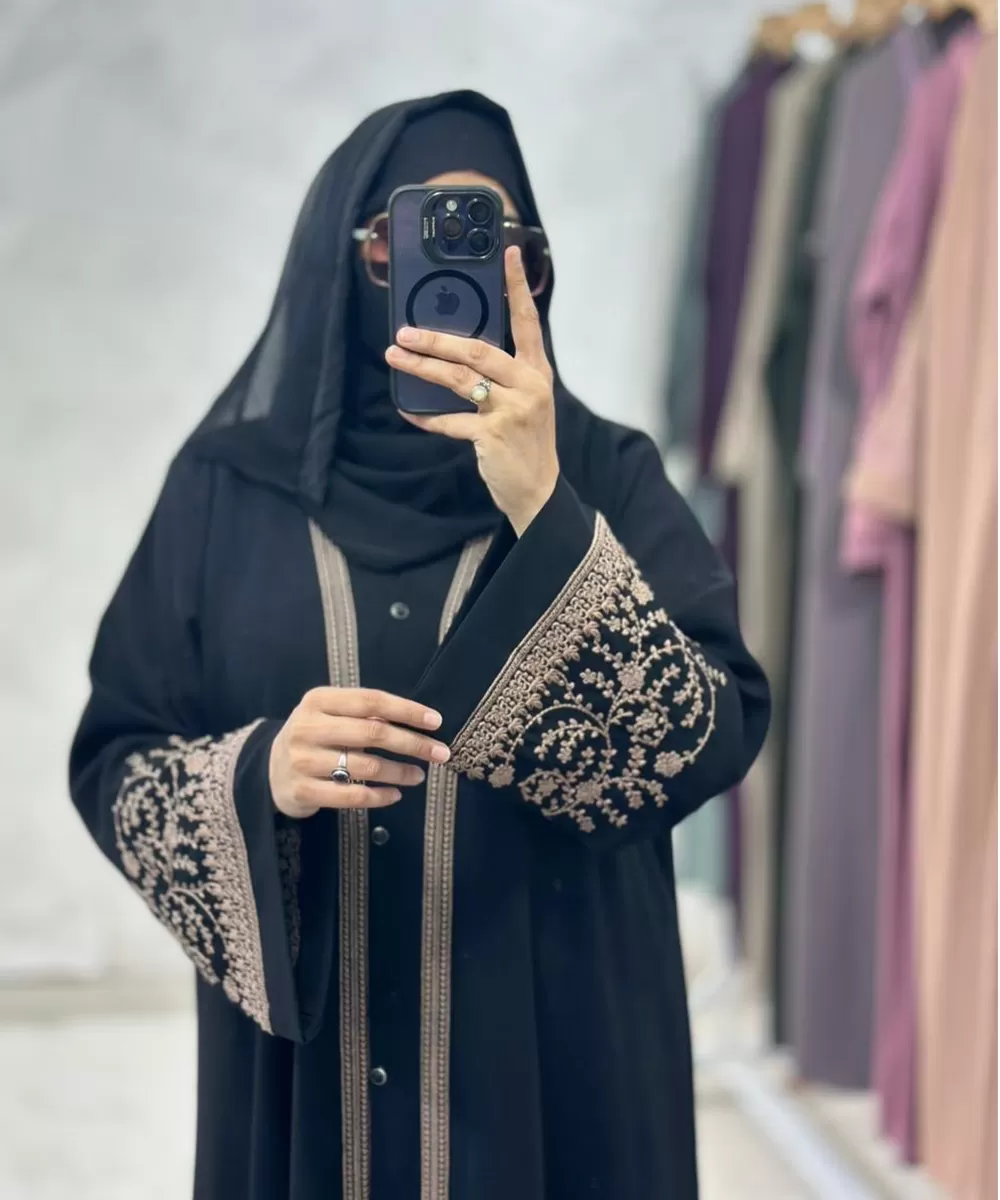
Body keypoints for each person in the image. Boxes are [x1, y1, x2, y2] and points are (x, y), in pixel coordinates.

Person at [69, 90, 769, 1200]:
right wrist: (259, 775)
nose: (446, 275)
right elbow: (117, 757)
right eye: (402, 236)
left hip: (557, 1074)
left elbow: (710, 737)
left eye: (490, 238)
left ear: (531, 271)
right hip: (309, 1092)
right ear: (343, 255)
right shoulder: (226, 491)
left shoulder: (604, 474)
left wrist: (545, 506)